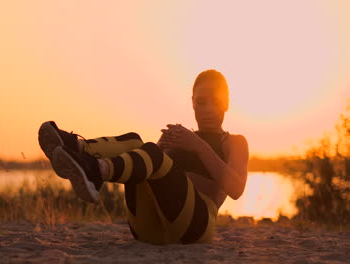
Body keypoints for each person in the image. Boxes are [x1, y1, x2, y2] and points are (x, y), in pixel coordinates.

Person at [37, 69, 249, 245]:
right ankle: (75, 146)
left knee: (152, 154)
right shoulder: (179, 138)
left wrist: (198, 146)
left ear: (226, 104)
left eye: (216, 101)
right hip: (150, 231)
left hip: (196, 228)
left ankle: (97, 170)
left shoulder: (234, 142)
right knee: (134, 142)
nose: (208, 109)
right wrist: (159, 148)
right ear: (193, 103)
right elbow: (150, 177)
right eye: (202, 102)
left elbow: (236, 189)